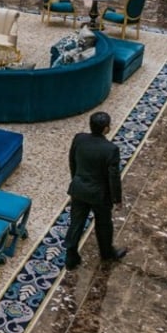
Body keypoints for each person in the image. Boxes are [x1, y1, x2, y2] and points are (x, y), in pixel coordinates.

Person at [63, 111, 126, 271]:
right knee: (104, 225)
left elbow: (72, 160)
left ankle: (71, 257)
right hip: (100, 195)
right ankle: (106, 253)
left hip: (78, 188)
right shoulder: (111, 149)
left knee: (76, 223)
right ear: (106, 128)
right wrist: (117, 199)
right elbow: (113, 177)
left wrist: (76, 179)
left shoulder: (79, 138)